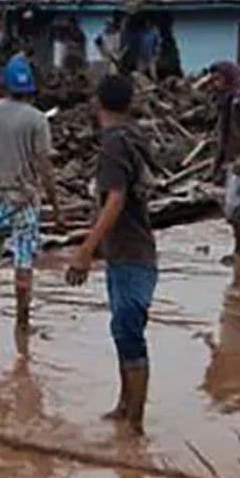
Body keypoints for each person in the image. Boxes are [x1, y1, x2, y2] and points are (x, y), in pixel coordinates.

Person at [66, 74, 157, 434]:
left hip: (132, 253)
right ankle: (124, 407)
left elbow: (116, 200)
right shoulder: (132, 137)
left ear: (96, 103)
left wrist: (85, 251)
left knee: (129, 332)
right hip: (129, 250)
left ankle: (135, 426)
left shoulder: (114, 146)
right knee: (122, 329)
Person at [0, 55, 65, 329]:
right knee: (23, 264)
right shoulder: (37, 119)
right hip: (24, 202)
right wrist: (56, 209)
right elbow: (44, 167)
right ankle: (22, 324)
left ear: (4, 85)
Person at [205, 61, 240, 263]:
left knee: (238, 206)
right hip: (231, 157)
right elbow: (223, 133)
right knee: (232, 208)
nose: (215, 84)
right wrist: (216, 163)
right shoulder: (228, 98)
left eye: (218, 79)